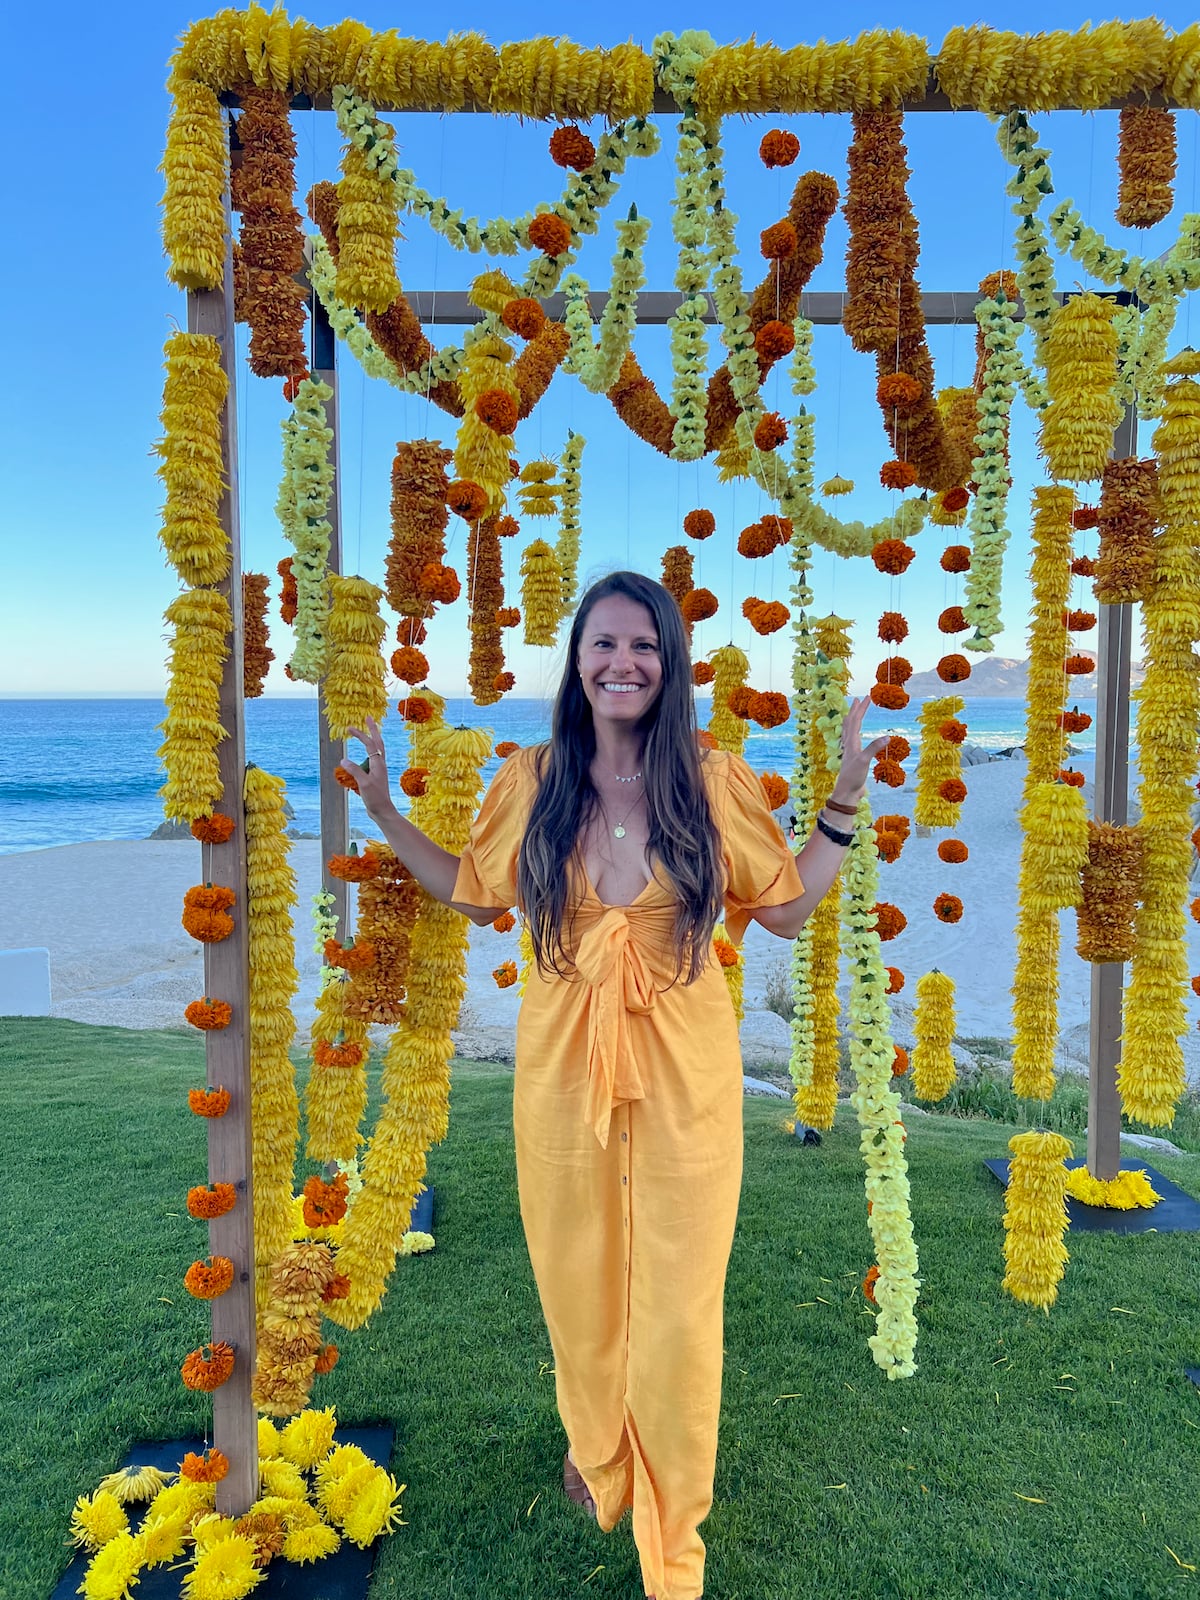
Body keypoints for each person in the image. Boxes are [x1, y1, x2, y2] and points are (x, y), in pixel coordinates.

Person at [342, 570, 884, 1600]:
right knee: (578, 1275)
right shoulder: (535, 778)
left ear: (668, 662)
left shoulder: (715, 778)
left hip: (687, 1068)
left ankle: (673, 1495)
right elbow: (469, 891)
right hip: (559, 1070)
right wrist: (379, 809)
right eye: (603, 644)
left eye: (642, 645)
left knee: (678, 1294)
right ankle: (598, 1450)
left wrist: (845, 800)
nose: (622, 662)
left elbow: (782, 909)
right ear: (578, 660)